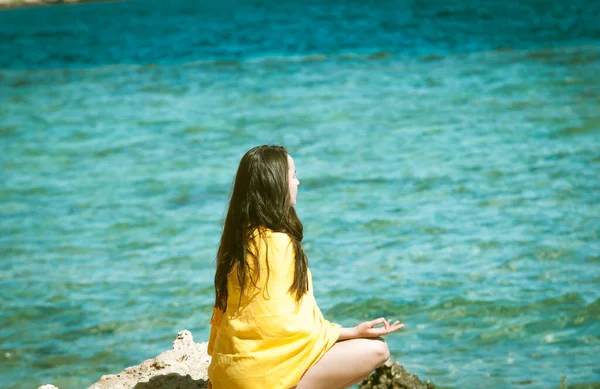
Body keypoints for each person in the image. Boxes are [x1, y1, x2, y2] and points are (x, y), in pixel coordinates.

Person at [207, 145, 404, 389]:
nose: (298, 182)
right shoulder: (278, 244)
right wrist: (350, 334)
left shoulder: (238, 241)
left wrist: (353, 331)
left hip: (227, 376)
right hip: (260, 379)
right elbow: (285, 328)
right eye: (292, 175)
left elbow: (256, 325)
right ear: (275, 183)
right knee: (378, 350)